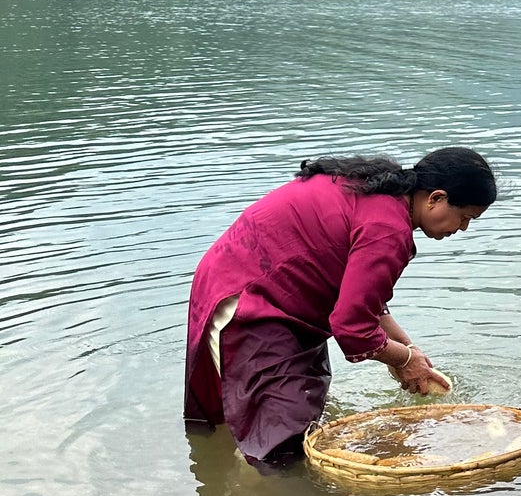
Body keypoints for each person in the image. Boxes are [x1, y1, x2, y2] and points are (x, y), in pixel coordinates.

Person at [184, 147, 496, 468]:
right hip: (252, 304)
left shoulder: (375, 191)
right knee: (283, 447)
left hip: (246, 282)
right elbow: (352, 329)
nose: (462, 229)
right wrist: (403, 360)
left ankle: (225, 484)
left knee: (298, 407)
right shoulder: (388, 228)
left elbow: (364, 303)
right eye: (465, 218)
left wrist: (408, 349)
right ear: (435, 198)